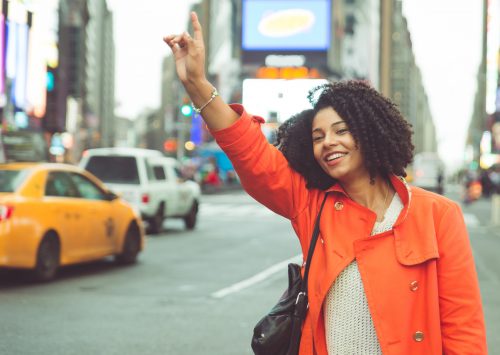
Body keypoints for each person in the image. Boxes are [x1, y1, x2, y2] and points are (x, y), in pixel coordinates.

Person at [164, 12, 487, 355]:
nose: (328, 142)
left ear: (369, 132)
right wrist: (197, 84)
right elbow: (250, 152)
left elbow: (462, 329)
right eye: (318, 136)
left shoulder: (438, 215)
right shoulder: (312, 204)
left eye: (341, 131)